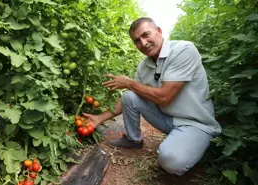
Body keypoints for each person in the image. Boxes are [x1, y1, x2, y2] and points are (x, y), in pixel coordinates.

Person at [82, 17, 222, 176]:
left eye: (146, 35)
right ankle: (134, 140)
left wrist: (130, 83)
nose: (143, 43)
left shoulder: (183, 50)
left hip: (195, 123)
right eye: (137, 41)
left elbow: (165, 98)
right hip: (167, 119)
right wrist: (99, 118)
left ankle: (197, 143)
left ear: (159, 32)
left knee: (171, 161)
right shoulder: (144, 66)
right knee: (129, 96)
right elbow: (129, 98)